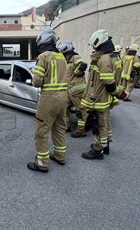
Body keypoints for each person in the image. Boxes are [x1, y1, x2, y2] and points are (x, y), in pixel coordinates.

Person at [27, 28, 68, 172]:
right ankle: (60, 156)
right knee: (59, 128)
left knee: (42, 130)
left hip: (49, 97)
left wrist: (35, 76)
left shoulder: (43, 57)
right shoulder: (62, 57)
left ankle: (42, 163)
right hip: (63, 96)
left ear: (42, 41)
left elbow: (37, 82)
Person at [81, 29, 126, 160]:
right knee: (105, 121)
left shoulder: (104, 60)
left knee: (100, 124)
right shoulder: (114, 56)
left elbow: (108, 81)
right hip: (105, 97)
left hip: (100, 98)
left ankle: (98, 150)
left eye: (96, 46)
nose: (95, 49)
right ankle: (106, 144)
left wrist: (116, 92)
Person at [57, 40, 88, 138]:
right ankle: (67, 127)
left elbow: (83, 65)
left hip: (77, 91)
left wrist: (77, 72)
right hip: (68, 90)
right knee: (64, 109)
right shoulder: (64, 59)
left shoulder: (75, 57)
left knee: (80, 111)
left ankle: (81, 131)